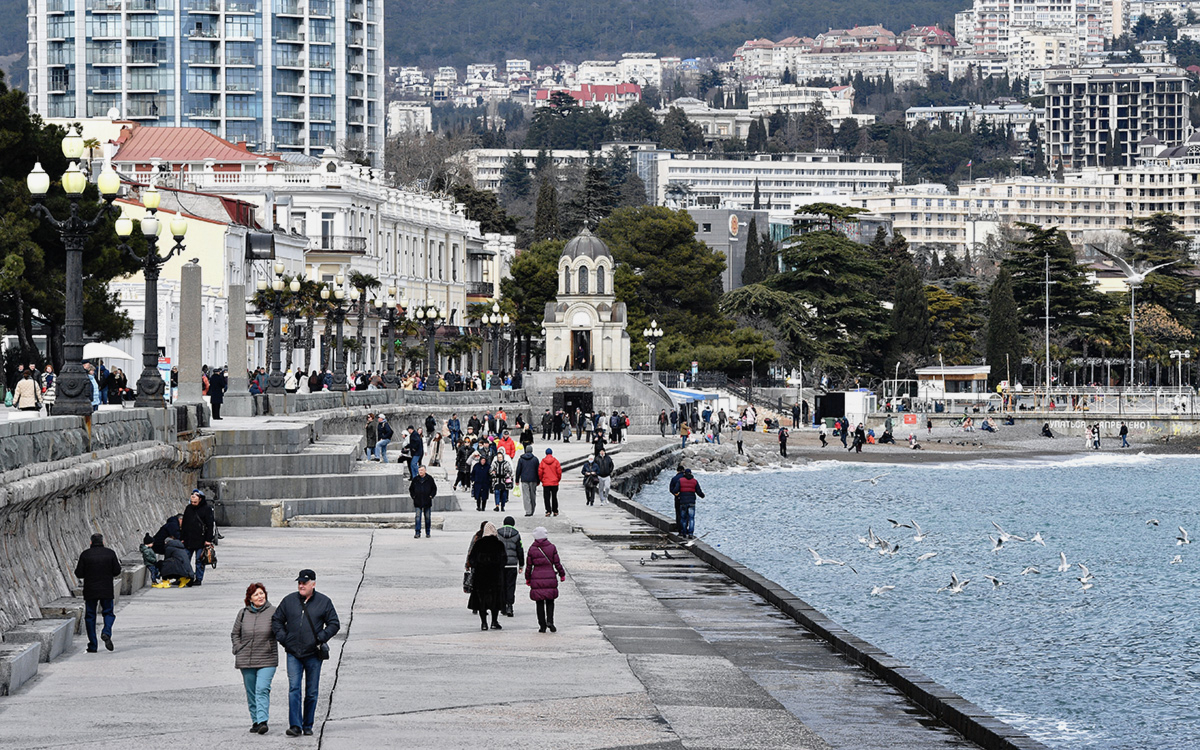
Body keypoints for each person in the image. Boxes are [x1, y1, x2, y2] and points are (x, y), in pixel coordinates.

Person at [272, 569, 340, 738]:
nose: (301, 585)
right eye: (299, 583)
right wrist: (284, 639)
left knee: (311, 691)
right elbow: (277, 620)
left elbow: (334, 623)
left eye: (305, 583)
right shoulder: (289, 601)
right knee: (294, 688)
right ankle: (295, 725)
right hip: (293, 653)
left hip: (313, 654)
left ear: (313, 584)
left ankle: (307, 724)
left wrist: (320, 638)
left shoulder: (324, 602)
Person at [232, 582, 279, 734]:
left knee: (262, 689)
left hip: (267, 658)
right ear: (250, 599)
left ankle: (263, 720)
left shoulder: (274, 612)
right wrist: (238, 647)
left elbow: (282, 631)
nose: (260, 597)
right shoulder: (243, 613)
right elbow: (235, 633)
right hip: (246, 658)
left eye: (262, 593)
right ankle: (256, 721)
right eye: (256, 594)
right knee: (251, 691)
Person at [74, 533, 122, 652]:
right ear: (103, 541)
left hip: (90, 590)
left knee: (90, 616)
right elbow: (117, 571)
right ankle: (106, 632)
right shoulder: (110, 553)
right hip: (106, 589)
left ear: (91, 542)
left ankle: (93, 645)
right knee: (109, 613)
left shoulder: (85, 554)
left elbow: (79, 573)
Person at [525, 527, 566, 633]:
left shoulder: (532, 549)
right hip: (550, 576)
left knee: (539, 602)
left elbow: (529, 566)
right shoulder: (552, 547)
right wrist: (562, 574)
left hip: (537, 577)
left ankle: (542, 625)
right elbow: (557, 563)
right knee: (550, 601)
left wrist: (528, 578)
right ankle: (550, 621)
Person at [467, 523, 507, 630]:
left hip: (481, 577)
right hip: (495, 577)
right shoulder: (499, 544)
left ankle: (484, 623)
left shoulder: (479, 543)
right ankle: (494, 621)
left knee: (482, 601)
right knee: (495, 599)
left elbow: (472, 559)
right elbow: (504, 560)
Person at [181, 489, 215, 586]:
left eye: (195, 501)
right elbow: (184, 524)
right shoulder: (188, 508)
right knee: (185, 559)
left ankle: (198, 579)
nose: (193, 503)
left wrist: (208, 540)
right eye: (192, 502)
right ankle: (186, 577)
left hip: (201, 540)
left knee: (199, 560)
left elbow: (210, 525)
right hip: (188, 539)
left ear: (200, 499)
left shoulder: (206, 509)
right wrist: (182, 537)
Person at [496, 517, 524, 618]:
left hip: (500, 565)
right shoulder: (516, 534)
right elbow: (520, 550)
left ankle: (502, 607)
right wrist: (521, 564)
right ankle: (510, 606)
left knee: (501, 585)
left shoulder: (498, 533)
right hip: (512, 565)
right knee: (510, 585)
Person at [672, 469, 704, 539]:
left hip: (683, 502)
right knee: (691, 518)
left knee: (683, 518)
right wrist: (702, 496)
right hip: (691, 502)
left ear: (684, 474)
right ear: (691, 473)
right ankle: (690, 533)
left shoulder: (680, 481)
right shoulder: (694, 481)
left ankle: (683, 533)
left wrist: (678, 494)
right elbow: (699, 491)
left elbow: (675, 490)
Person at [410, 465, 437, 538]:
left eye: (422, 470)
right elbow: (411, 489)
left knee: (427, 517)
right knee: (418, 517)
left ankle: (428, 532)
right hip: (418, 501)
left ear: (425, 471)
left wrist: (431, 496)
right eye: (419, 471)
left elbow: (434, 489)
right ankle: (417, 532)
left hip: (427, 501)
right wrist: (413, 496)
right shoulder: (415, 479)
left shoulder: (430, 479)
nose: (420, 472)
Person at [515, 446, 540, 517]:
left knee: (526, 496)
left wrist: (517, 480)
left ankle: (528, 511)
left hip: (524, 479)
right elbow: (538, 471)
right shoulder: (535, 459)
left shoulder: (521, 459)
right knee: (533, 495)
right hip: (533, 479)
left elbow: (518, 470)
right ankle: (532, 509)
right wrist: (538, 480)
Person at [539, 447, 562, 517]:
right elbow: (559, 472)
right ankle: (555, 510)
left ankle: (548, 510)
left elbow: (540, 472)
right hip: (554, 482)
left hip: (546, 482)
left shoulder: (543, 462)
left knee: (547, 497)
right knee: (554, 497)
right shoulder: (556, 461)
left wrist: (542, 480)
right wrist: (558, 479)